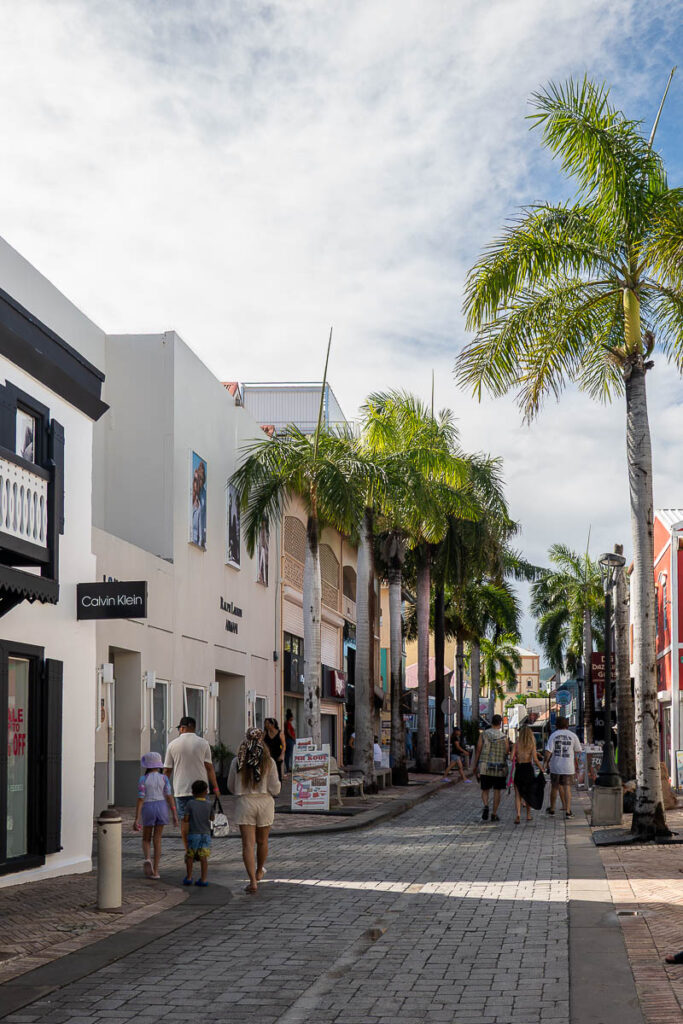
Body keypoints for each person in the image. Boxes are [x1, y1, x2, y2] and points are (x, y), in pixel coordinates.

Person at [228, 727, 281, 893]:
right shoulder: (269, 761)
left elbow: (230, 786)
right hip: (265, 802)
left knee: (247, 845)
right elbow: (275, 788)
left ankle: (252, 881)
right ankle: (260, 870)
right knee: (262, 841)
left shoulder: (237, 761)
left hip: (245, 802)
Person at [164, 717, 220, 844]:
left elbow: (167, 770)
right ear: (194, 728)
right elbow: (210, 768)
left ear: (183, 728)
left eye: (179, 728)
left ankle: (188, 849)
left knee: (185, 821)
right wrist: (216, 788)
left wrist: (163, 788)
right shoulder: (203, 743)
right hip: (201, 790)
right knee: (202, 821)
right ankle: (201, 848)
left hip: (180, 789)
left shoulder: (172, 745)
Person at [134, 751, 178, 878]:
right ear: (159, 765)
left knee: (146, 838)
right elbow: (169, 796)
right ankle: (156, 871)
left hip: (148, 807)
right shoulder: (164, 778)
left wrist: (137, 818)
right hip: (162, 807)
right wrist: (174, 813)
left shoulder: (143, 779)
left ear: (147, 766)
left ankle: (148, 858)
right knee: (157, 839)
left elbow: (140, 798)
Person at [471, 714, 509, 821]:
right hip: (499, 768)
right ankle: (494, 813)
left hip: (485, 766)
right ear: (500, 723)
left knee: (485, 789)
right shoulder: (503, 737)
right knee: (497, 791)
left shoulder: (484, 734)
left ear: (491, 722)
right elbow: (506, 751)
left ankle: (486, 805)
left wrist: (475, 764)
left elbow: (478, 749)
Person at [543, 716, 582, 817]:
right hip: (568, 767)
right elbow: (578, 751)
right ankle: (568, 811)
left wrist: (545, 762)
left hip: (555, 766)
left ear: (556, 725)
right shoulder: (573, 735)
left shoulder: (553, 735)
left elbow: (548, 751)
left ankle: (552, 809)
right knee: (567, 788)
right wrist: (577, 764)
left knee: (554, 788)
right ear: (567, 725)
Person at [181, 779, 214, 887]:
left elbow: (186, 819)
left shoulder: (190, 803)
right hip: (205, 833)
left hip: (193, 833)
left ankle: (189, 877)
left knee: (190, 856)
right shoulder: (209, 804)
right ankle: (203, 879)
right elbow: (212, 817)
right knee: (203, 857)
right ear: (206, 791)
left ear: (193, 792)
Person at [512, 725, 544, 824]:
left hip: (519, 769)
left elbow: (510, 757)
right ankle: (528, 815)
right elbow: (535, 759)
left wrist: (517, 757)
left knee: (518, 794)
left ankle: (518, 815)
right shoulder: (531, 744)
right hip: (528, 769)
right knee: (528, 792)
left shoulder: (516, 744)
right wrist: (541, 768)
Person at [284, 709, 296, 775]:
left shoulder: (288, 723)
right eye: (292, 717)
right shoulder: (288, 723)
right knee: (289, 754)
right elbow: (288, 731)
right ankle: (288, 767)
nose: (293, 718)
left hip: (289, 739)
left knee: (288, 754)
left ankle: (288, 767)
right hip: (289, 740)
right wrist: (292, 737)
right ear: (290, 717)